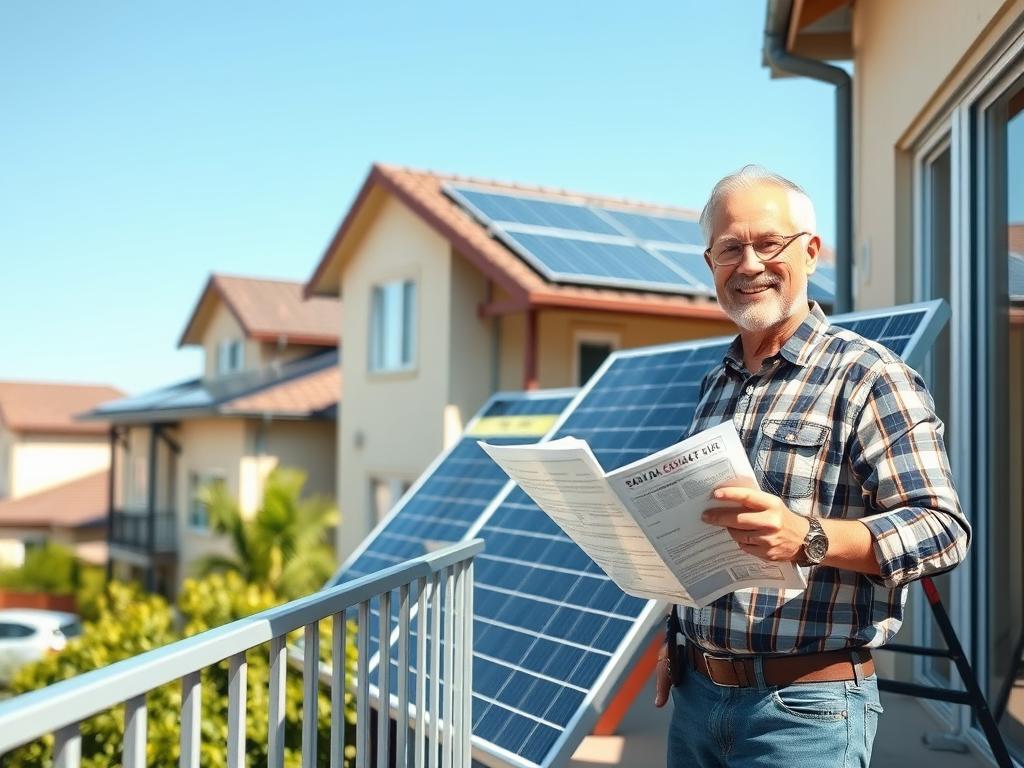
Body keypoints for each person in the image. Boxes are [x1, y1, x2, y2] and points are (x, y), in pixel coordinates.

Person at [652, 165, 970, 767]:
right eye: (729, 249)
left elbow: (943, 532)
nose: (748, 265)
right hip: (695, 699)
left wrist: (809, 537)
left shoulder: (870, 377)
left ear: (811, 253)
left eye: (768, 243)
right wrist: (676, 639)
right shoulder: (715, 387)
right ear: (710, 264)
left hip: (806, 713)